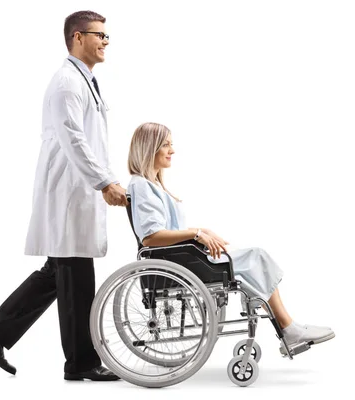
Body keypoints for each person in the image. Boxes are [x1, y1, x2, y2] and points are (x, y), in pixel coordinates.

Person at [0, 10, 127, 381]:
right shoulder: (66, 84)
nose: (105, 41)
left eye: (107, 36)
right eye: (99, 35)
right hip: (70, 192)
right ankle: (81, 363)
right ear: (77, 37)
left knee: (58, 272)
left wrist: (105, 179)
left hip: (76, 191)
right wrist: (105, 182)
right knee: (73, 276)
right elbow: (75, 140)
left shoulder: (84, 80)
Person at [126, 122, 335, 349]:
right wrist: (196, 234)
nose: (172, 150)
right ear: (150, 148)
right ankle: (288, 328)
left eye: (171, 145)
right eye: (166, 145)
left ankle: (288, 328)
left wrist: (202, 231)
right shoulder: (141, 185)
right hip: (177, 261)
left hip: (182, 257)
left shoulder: (151, 184)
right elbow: (150, 237)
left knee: (256, 260)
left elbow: (166, 229)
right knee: (257, 257)